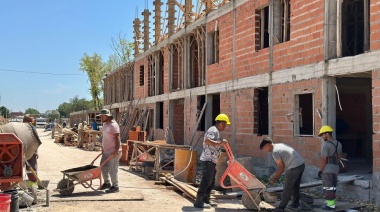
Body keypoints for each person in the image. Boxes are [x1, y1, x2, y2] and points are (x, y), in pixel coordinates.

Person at [193, 113, 230, 209]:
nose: (225, 127)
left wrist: (220, 144)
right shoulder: (213, 130)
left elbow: (214, 143)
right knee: (206, 181)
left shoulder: (216, 131)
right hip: (208, 160)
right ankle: (199, 201)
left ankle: (206, 200)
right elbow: (207, 141)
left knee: (211, 181)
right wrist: (220, 143)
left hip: (212, 160)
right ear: (222, 123)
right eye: (225, 125)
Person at [260, 137, 305, 212]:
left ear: (268, 145)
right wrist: (276, 175)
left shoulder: (275, 152)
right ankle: (295, 204)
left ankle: (281, 208)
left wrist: (274, 178)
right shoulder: (280, 145)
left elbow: (281, 168)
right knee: (295, 186)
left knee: (287, 188)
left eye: (265, 148)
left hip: (293, 167)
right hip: (301, 164)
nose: (265, 150)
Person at [318, 125, 342, 210]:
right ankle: (330, 202)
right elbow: (339, 157)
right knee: (333, 187)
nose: (322, 137)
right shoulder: (339, 143)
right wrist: (335, 165)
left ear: (327, 134)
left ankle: (330, 205)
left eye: (322, 135)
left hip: (327, 169)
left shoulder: (326, 145)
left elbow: (324, 159)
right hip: (335, 168)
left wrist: (320, 171)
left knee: (328, 187)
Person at [97, 109, 121, 193]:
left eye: (103, 116)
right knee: (102, 167)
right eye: (101, 116)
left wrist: (116, 150)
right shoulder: (104, 125)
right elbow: (104, 137)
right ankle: (107, 183)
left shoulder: (113, 125)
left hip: (113, 151)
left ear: (108, 116)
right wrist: (102, 147)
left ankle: (115, 186)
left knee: (112, 169)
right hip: (106, 151)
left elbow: (117, 138)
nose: (101, 117)